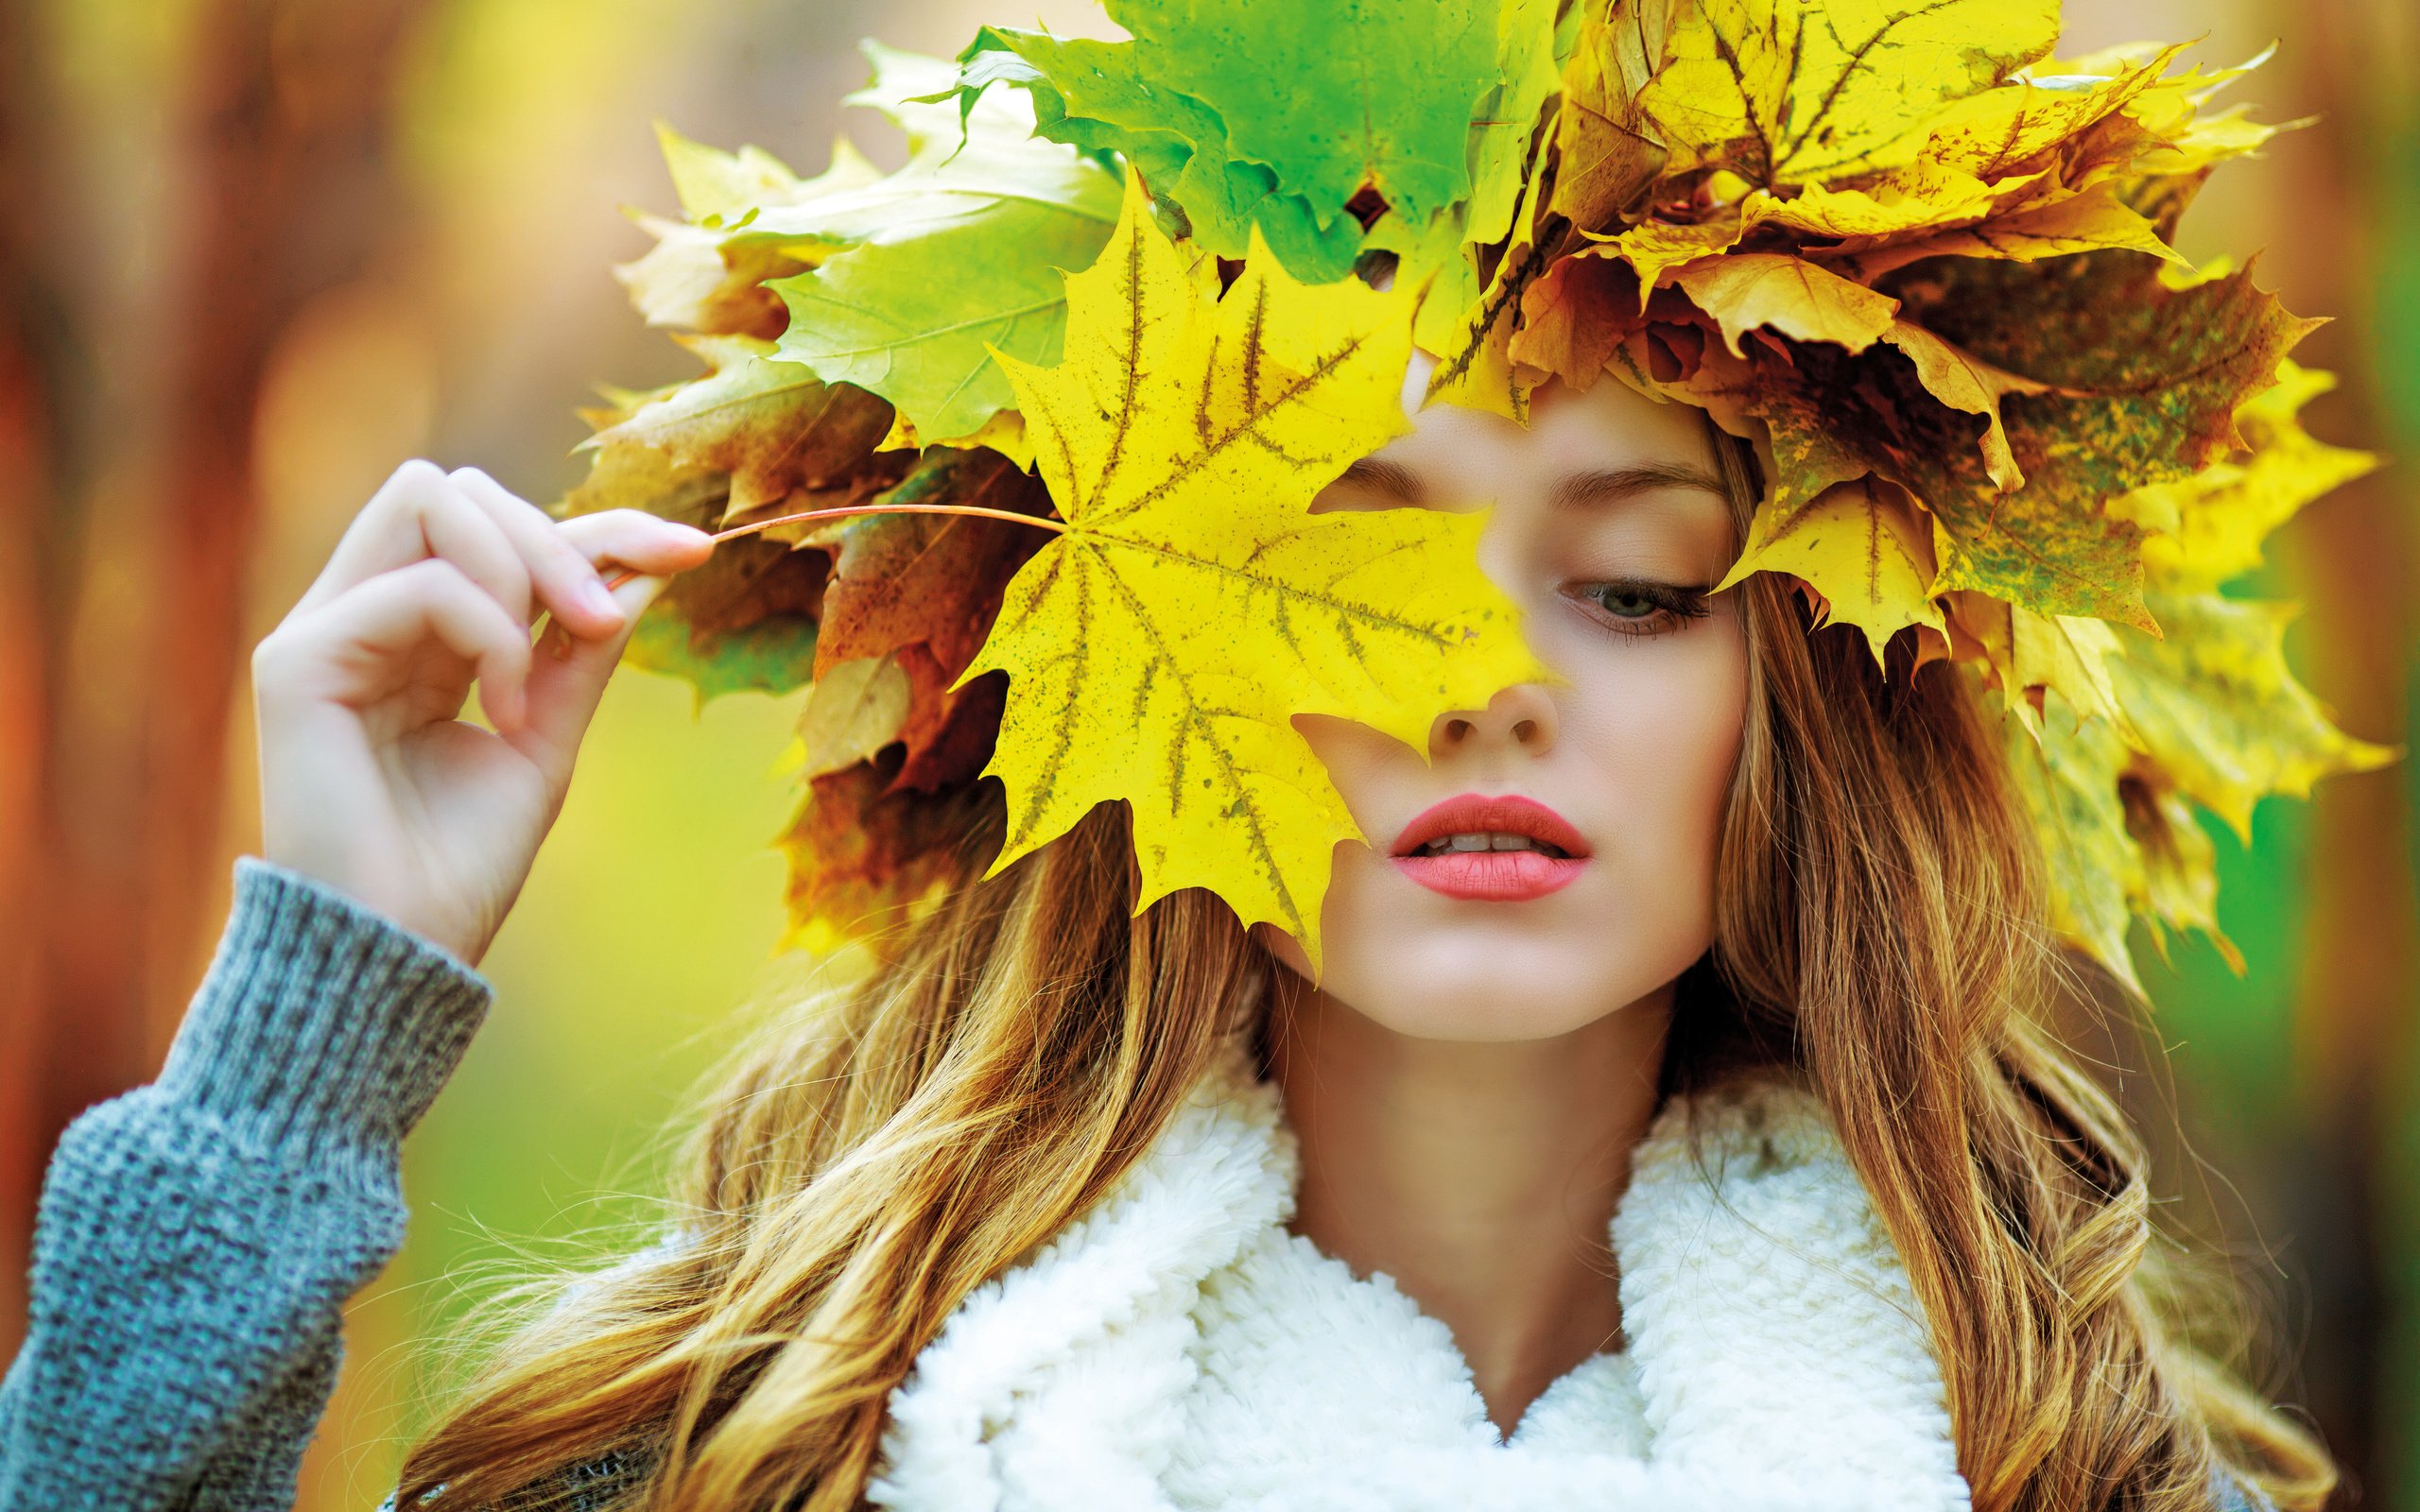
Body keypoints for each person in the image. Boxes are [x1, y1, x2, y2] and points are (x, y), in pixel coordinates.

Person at [0, 5, 2375, 1510]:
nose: (1482, 678)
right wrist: (311, 1028)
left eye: (1634, 582)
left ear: (1812, 704)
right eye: (1350, 565)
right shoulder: (744, 1457)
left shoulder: (2081, 1469)